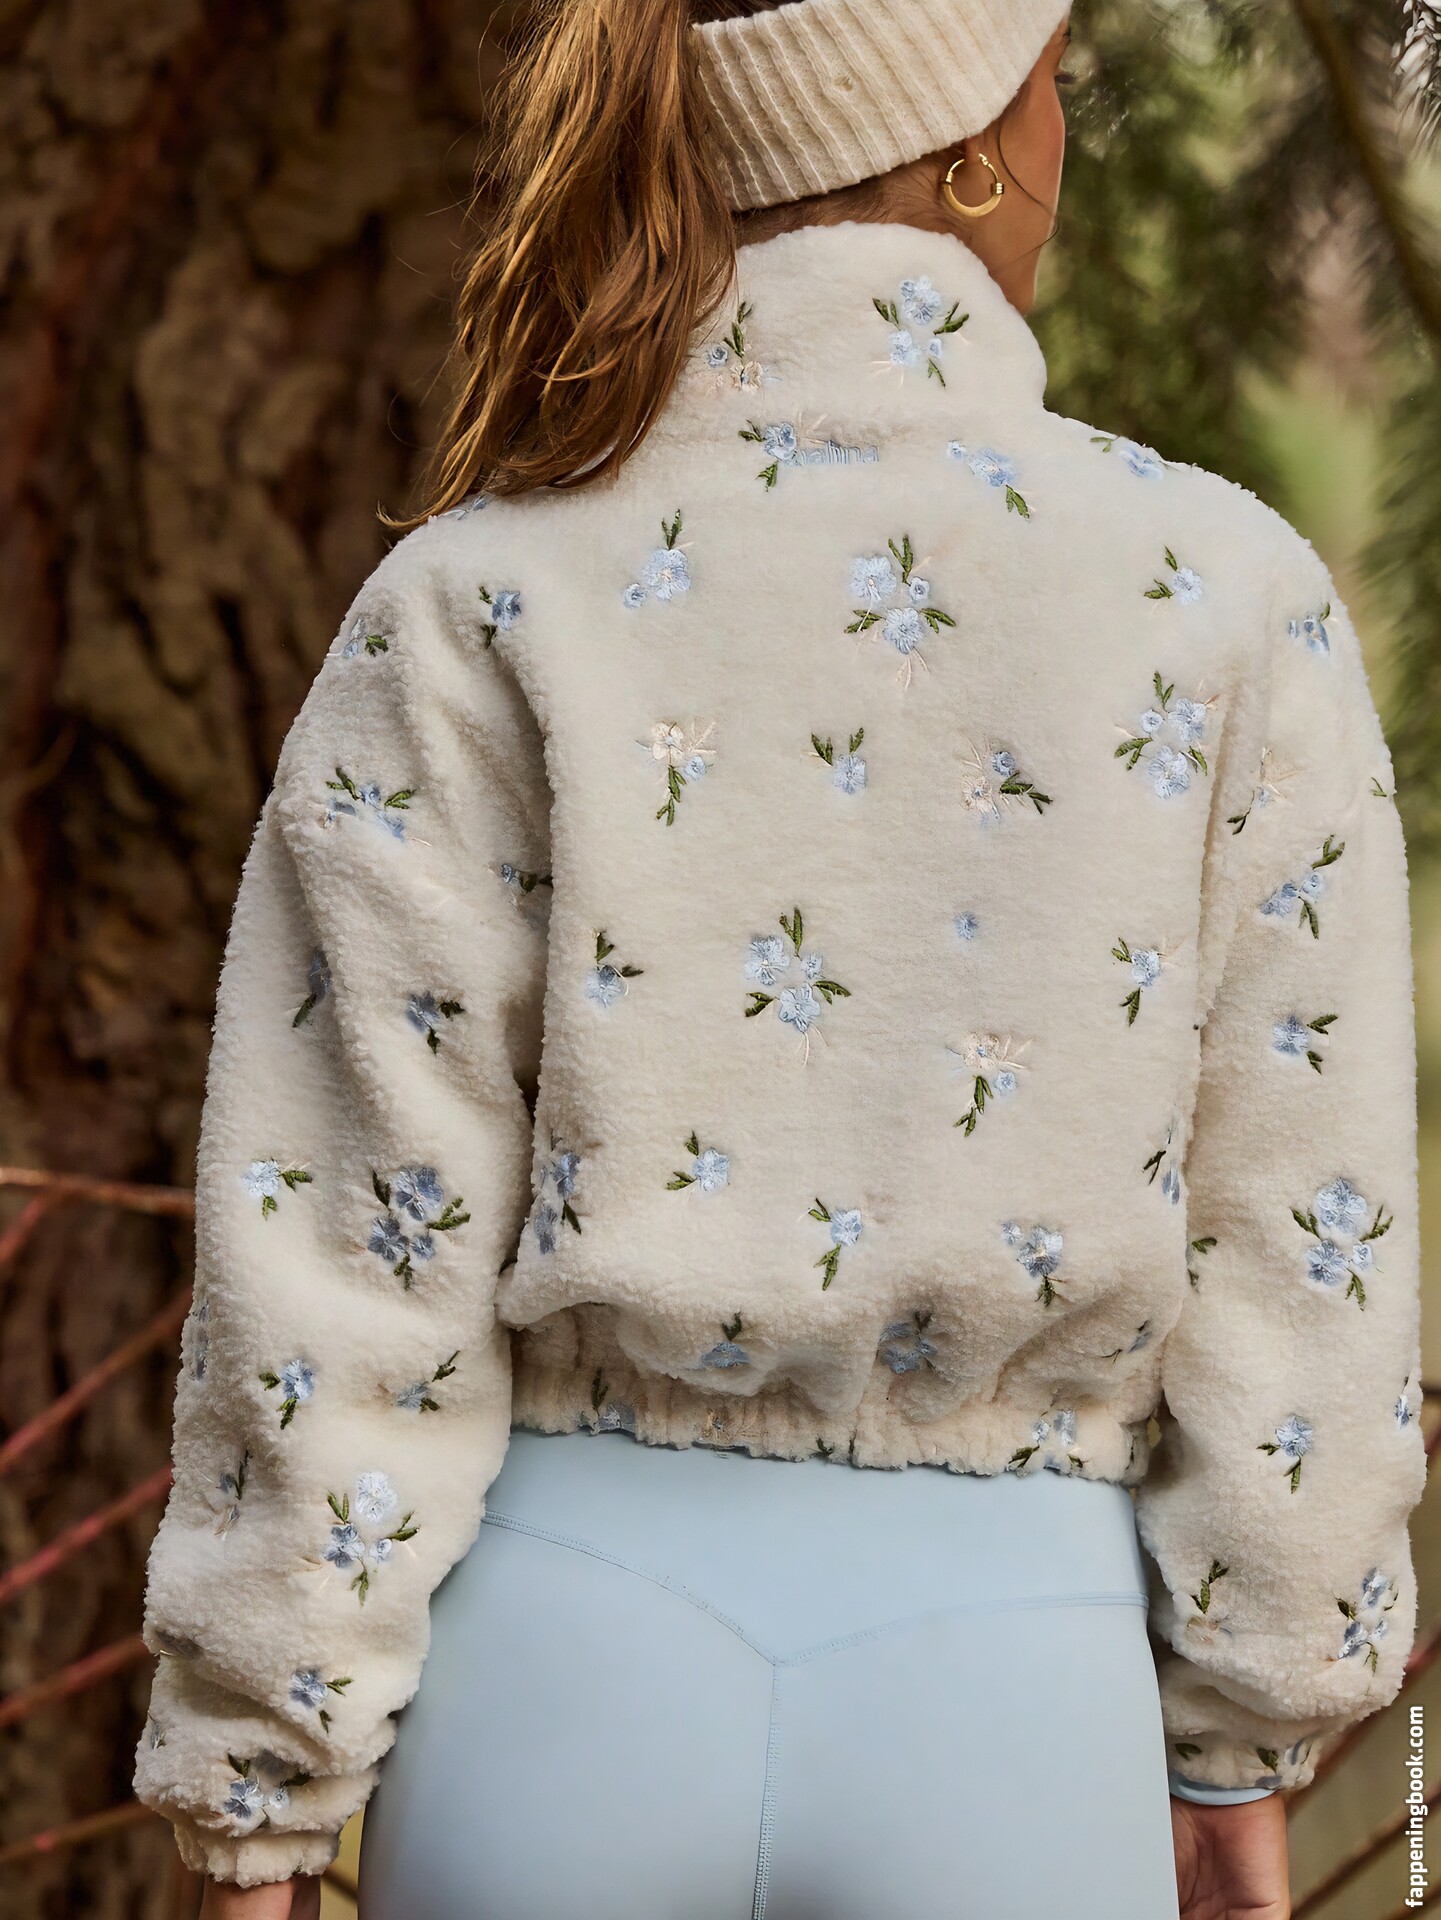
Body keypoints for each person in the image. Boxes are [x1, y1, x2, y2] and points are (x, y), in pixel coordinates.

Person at [133, 1, 1425, 1915]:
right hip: (1014, 1686)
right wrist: (1248, 1721)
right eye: (1052, 84)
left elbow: (345, 1228)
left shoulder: (476, 598)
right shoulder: (1225, 599)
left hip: (557, 1669)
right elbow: (1295, 1235)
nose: (1064, 137)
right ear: (968, 143)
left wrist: (260, 1785)